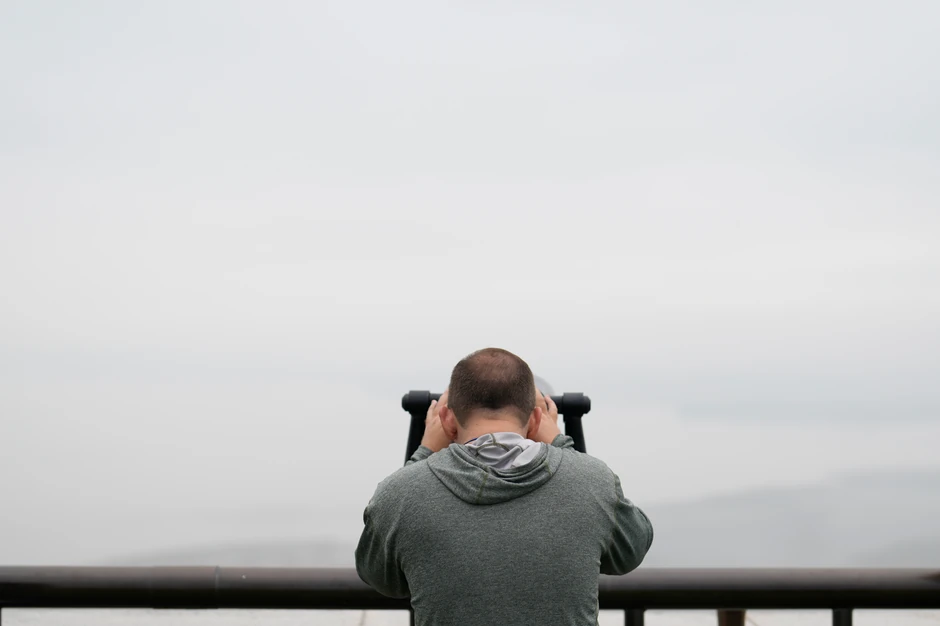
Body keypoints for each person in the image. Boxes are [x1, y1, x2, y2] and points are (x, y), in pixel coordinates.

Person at [355, 348, 653, 626]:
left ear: (446, 418)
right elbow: (630, 552)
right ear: (537, 418)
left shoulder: (401, 494)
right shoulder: (593, 481)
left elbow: (381, 577)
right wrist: (562, 446)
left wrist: (424, 455)